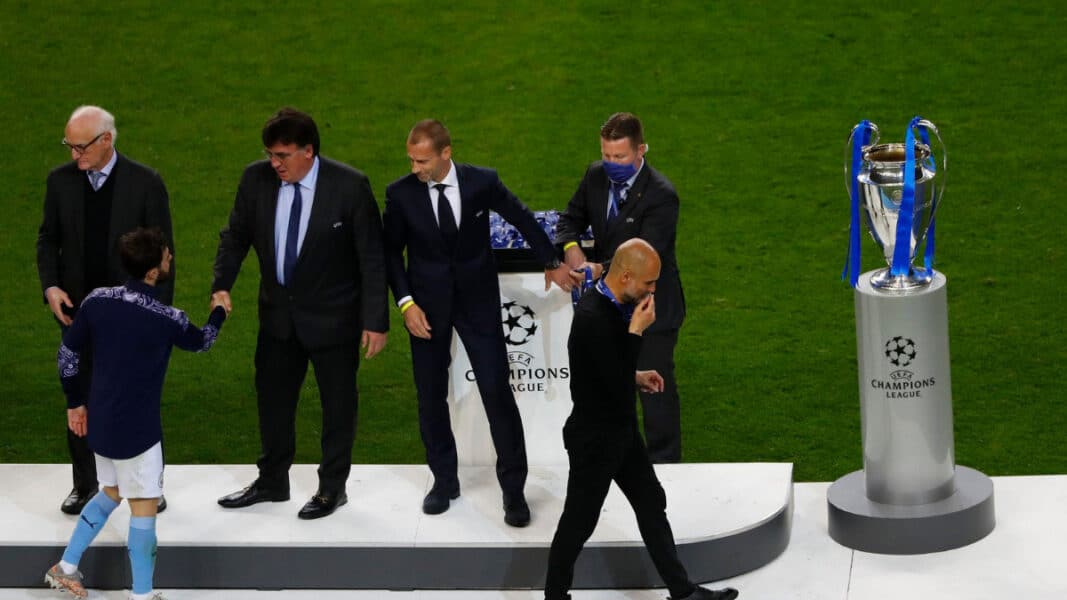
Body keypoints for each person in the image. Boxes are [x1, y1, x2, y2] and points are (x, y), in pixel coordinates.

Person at [382, 119, 579, 526]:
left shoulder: (481, 182)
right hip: (425, 311)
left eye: (422, 161)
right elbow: (390, 254)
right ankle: (443, 481)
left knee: (496, 393)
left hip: (478, 306)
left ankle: (513, 492)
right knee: (430, 396)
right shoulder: (401, 194)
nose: (415, 168)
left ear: (445, 153)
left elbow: (522, 216)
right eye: (411, 160)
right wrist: (406, 305)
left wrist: (550, 261)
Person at [213, 107, 389, 520]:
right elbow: (235, 235)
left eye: (283, 156)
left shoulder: (349, 186)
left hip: (335, 321)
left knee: (337, 405)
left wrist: (376, 321)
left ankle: (332, 488)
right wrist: (221, 283)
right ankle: (273, 480)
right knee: (272, 401)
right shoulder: (255, 180)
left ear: (309, 151)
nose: (274, 164)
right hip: (277, 319)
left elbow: (372, 259)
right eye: (271, 155)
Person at [544, 239, 737, 600]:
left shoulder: (614, 304)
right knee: (578, 523)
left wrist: (637, 374)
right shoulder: (591, 316)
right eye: (648, 283)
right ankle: (554, 597)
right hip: (595, 440)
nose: (652, 291)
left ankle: (682, 592)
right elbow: (609, 383)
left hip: (621, 432)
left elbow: (607, 369)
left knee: (651, 502)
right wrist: (636, 332)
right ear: (627, 275)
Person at [44, 227, 227, 600]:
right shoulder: (167, 318)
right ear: (152, 271)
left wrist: (74, 401)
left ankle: (65, 567)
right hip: (138, 434)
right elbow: (204, 341)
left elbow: (67, 355)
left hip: (103, 424)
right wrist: (220, 311)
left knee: (110, 492)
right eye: (165, 254)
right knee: (143, 512)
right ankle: (142, 596)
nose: (170, 257)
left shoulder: (96, 301)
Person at [37, 105, 174, 515]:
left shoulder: (145, 183)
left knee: (136, 399)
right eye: (70, 147)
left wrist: (154, 317)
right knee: (79, 395)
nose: (74, 155)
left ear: (106, 141)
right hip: (78, 313)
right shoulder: (60, 182)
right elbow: (48, 240)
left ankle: (149, 487)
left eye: (80, 147)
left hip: (131, 318)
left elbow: (164, 253)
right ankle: (85, 484)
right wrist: (50, 286)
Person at [556, 112, 687, 463]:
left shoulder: (661, 195)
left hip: (651, 308)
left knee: (655, 391)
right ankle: (615, 459)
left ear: (641, 150)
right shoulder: (595, 176)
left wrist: (598, 267)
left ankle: (666, 468)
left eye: (620, 157)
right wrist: (571, 250)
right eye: (607, 155)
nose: (611, 164)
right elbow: (569, 219)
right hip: (610, 307)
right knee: (609, 385)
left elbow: (646, 253)